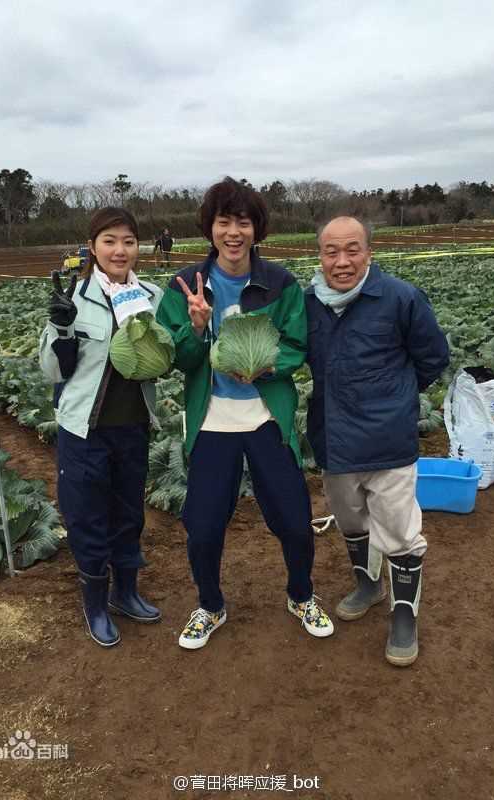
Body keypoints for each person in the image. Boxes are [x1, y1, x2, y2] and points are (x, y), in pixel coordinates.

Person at [156, 177, 333, 649]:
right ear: (209, 228)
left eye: (243, 222)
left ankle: (301, 594)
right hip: (212, 422)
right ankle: (210, 605)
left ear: (257, 229)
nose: (233, 232)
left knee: (295, 521)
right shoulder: (184, 286)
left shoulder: (281, 284)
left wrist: (268, 366)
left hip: (266, 419)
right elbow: (179, 360)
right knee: (204, 526)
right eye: (223, 221)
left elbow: (297, 346)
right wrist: (194, 330)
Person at [304, 216, 449, 667]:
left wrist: (395, 400)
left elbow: (433, 359)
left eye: (352, 250)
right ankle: (368, 585)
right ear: (320, 255)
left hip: (387, 442)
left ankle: (403, 615)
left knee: (401, 532)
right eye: (332, 251)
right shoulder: (308, 302)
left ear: (369, 252)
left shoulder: (400, 298)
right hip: (333, 439)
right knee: (351, 520)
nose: (342, 261)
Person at [39, 207, 163, 647]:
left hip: (133, 426)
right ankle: (94, 601)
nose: (120, 250)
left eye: (128, 241)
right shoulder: (75, 295)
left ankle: (125, 592)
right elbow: (53, 371)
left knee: (128, 513)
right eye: (109, 240)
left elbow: (163, 356)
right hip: (84, 431)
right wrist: (60, 327)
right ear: (92, 247)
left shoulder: (152, 294)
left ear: (138, 247)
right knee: (88, 516)